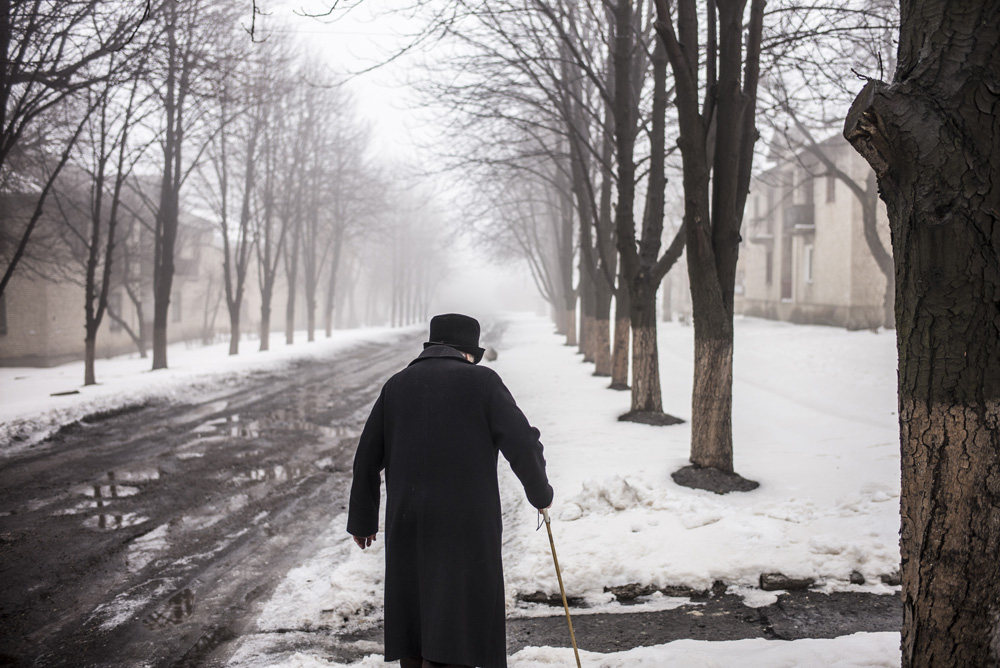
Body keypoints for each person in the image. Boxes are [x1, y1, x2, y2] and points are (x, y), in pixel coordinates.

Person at [347, 313, 553, 668]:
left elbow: (366, 457)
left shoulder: (396, 385)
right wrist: (540, 494)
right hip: (465, 524)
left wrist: (363, 521)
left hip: (407, 520)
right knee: (459, 614)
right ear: (468, 353)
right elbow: (523, 442)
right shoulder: (483, 382)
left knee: (414, 608)